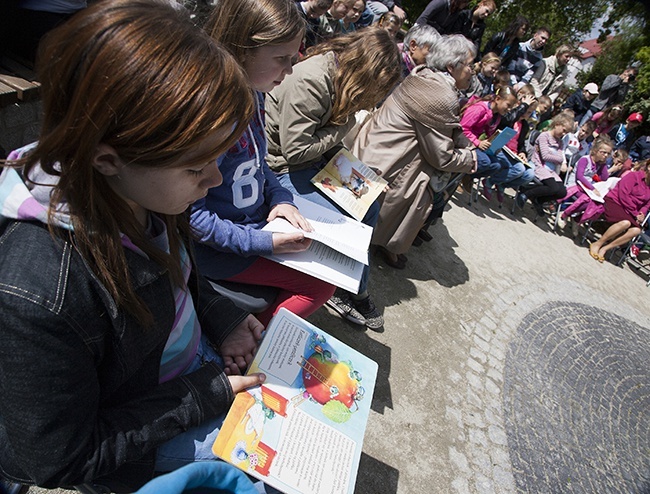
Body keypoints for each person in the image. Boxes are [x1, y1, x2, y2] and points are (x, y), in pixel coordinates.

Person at [0, 1, 267, 491]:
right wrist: (204, 393)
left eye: (217, 158)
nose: (213, 180)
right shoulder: (35, 296)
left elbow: (176, 273)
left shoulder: (147, 189)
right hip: (145, 430)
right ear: (108, 159)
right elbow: (61, 458)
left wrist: (219, 315)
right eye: (196, 167)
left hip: (189, 374)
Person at [195, 0, 335, 327]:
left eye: (294, 56)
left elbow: (259, 164)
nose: (290, 69)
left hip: (253, 226)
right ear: (243, 49)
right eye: (282, 59)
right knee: (321, 285)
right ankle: (256, 343)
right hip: (222, 249)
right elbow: (194, 219)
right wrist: (264, 241)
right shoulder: (215, 117)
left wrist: (281, 199)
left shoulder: (254, 93)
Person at [265, 27, 401, 329]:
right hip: (281, 168)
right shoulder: (313, 81)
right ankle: (340, 285)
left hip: (311, 161)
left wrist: (361, 173)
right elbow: (297, 151)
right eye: (373, 92)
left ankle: (353, 287)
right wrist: (346, 125)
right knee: (342, 219)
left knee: (370, 202)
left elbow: (322, 141)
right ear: (364, 73)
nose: (369, 103)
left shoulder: (339, 78)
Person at [351, 34, 477, 268]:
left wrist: (465, 145)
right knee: (421, 185)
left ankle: (384, 245)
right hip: (380, 166)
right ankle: (371, 250)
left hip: (372, 152)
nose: (473, 71)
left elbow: (447, 128)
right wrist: (470, 157)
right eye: (470, 65)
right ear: (452, 66)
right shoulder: (440, 95)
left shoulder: (425, 77)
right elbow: (442, 156)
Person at [460, 85, 520, 194]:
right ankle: (458, 176)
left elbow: (489, 133)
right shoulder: (479, 109)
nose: (509, 109)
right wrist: (478, 142)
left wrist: (495, 145)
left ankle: (467, 176)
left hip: (474, 143)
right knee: (484, 161)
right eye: (508, 105)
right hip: (464, 141)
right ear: (497, 99)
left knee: (496, 165)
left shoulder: (496, 116)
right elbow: (462, 128)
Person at [588, 164, 650, 262]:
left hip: (630, 211)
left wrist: (642, 213)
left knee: (636, 230)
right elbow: (623, 195)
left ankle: (605, 248)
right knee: (626, 223)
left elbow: (647, 205)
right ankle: (598, 243)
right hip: (616, 202)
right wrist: (635, 213)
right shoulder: (634, 176)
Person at [518, 112, 574, 215]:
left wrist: (557, 158)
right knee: (553, 187)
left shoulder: (560, 142)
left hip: (551, 170)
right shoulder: (544, 136)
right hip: (539, 165)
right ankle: (526, 194)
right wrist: (558, 158)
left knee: (562, 192)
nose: (563, 134)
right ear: (557, 124)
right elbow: (545, 156)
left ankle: (539, 200)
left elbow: (560, 158)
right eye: (563, 130)